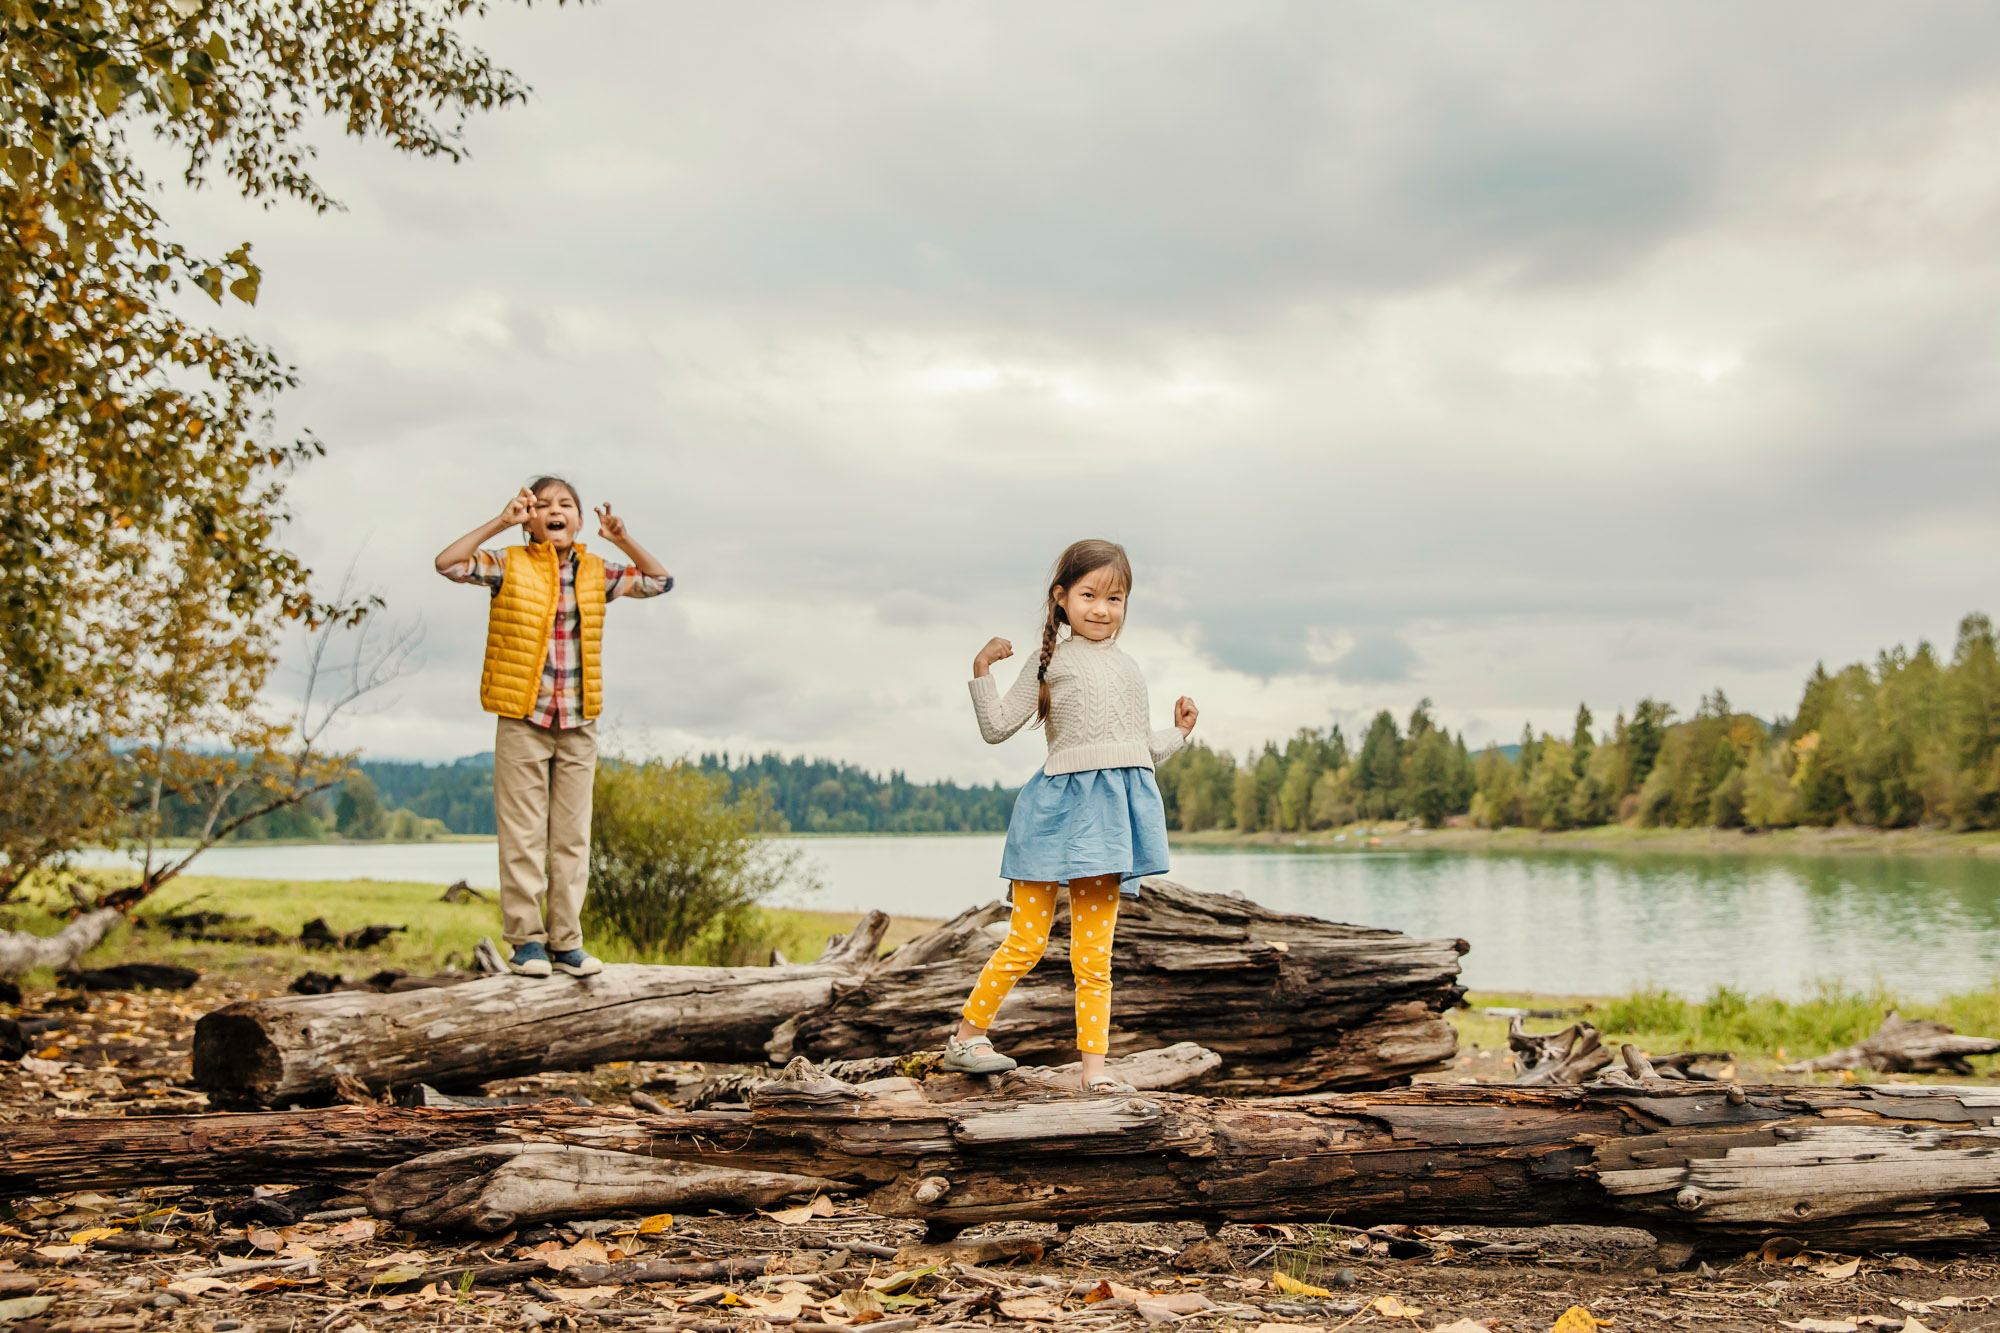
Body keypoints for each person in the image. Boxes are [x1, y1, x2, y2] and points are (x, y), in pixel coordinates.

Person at [941, 539, 1198, 1093]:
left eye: (1116, 598)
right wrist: (981, 668)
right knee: (1025, 942)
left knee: (1093, 956)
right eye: (1089, 595)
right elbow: (995, 728)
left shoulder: (1130, 670)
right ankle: (965, 1039)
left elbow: (1133, 752)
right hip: (1053, 819)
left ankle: (1095, 1074)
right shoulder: (1047, 661)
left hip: (1109, 827)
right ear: (1061, 598)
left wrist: (1178, 734)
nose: (1102, 609)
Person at [433, 477, 672, 978]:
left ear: (579, 521)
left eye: (565, 504)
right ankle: (526, 944)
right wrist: (501, 521)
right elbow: (448, 564)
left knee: (571, 839)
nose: (554, 510)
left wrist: (622, 539)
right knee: (522, 835)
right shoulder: (508, 564)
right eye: (542, 504)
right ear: (530, 518)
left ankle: (566, 943)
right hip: (523, 716)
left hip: (580, 719)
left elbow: (658, 581)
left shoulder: (594, 571)